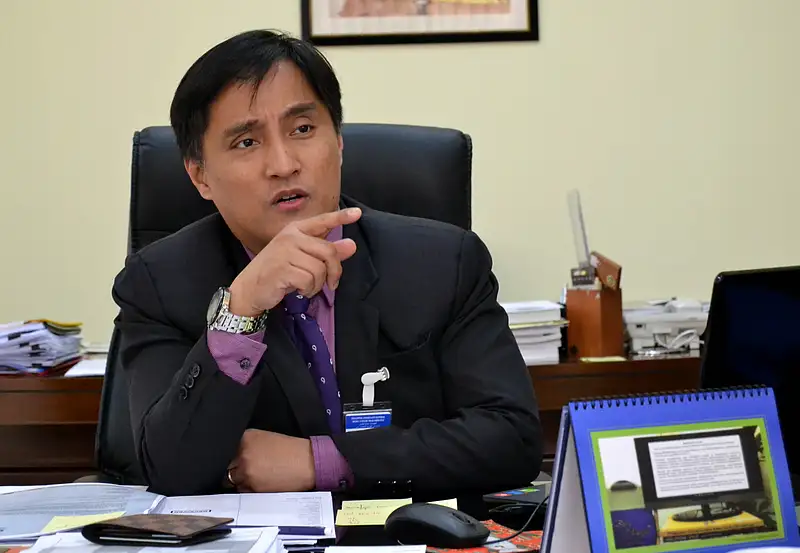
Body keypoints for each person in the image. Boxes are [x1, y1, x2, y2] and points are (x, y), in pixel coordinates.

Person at [111, 29, 543, 502]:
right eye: (247, 142)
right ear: (200, 177)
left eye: (302, 129)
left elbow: (512, 440)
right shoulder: (159, 284)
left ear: (337, 140)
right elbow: (171, 470)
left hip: (408, 529)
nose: (283, 164)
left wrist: (318, 461)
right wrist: (241, 309)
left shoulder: (443, 263)